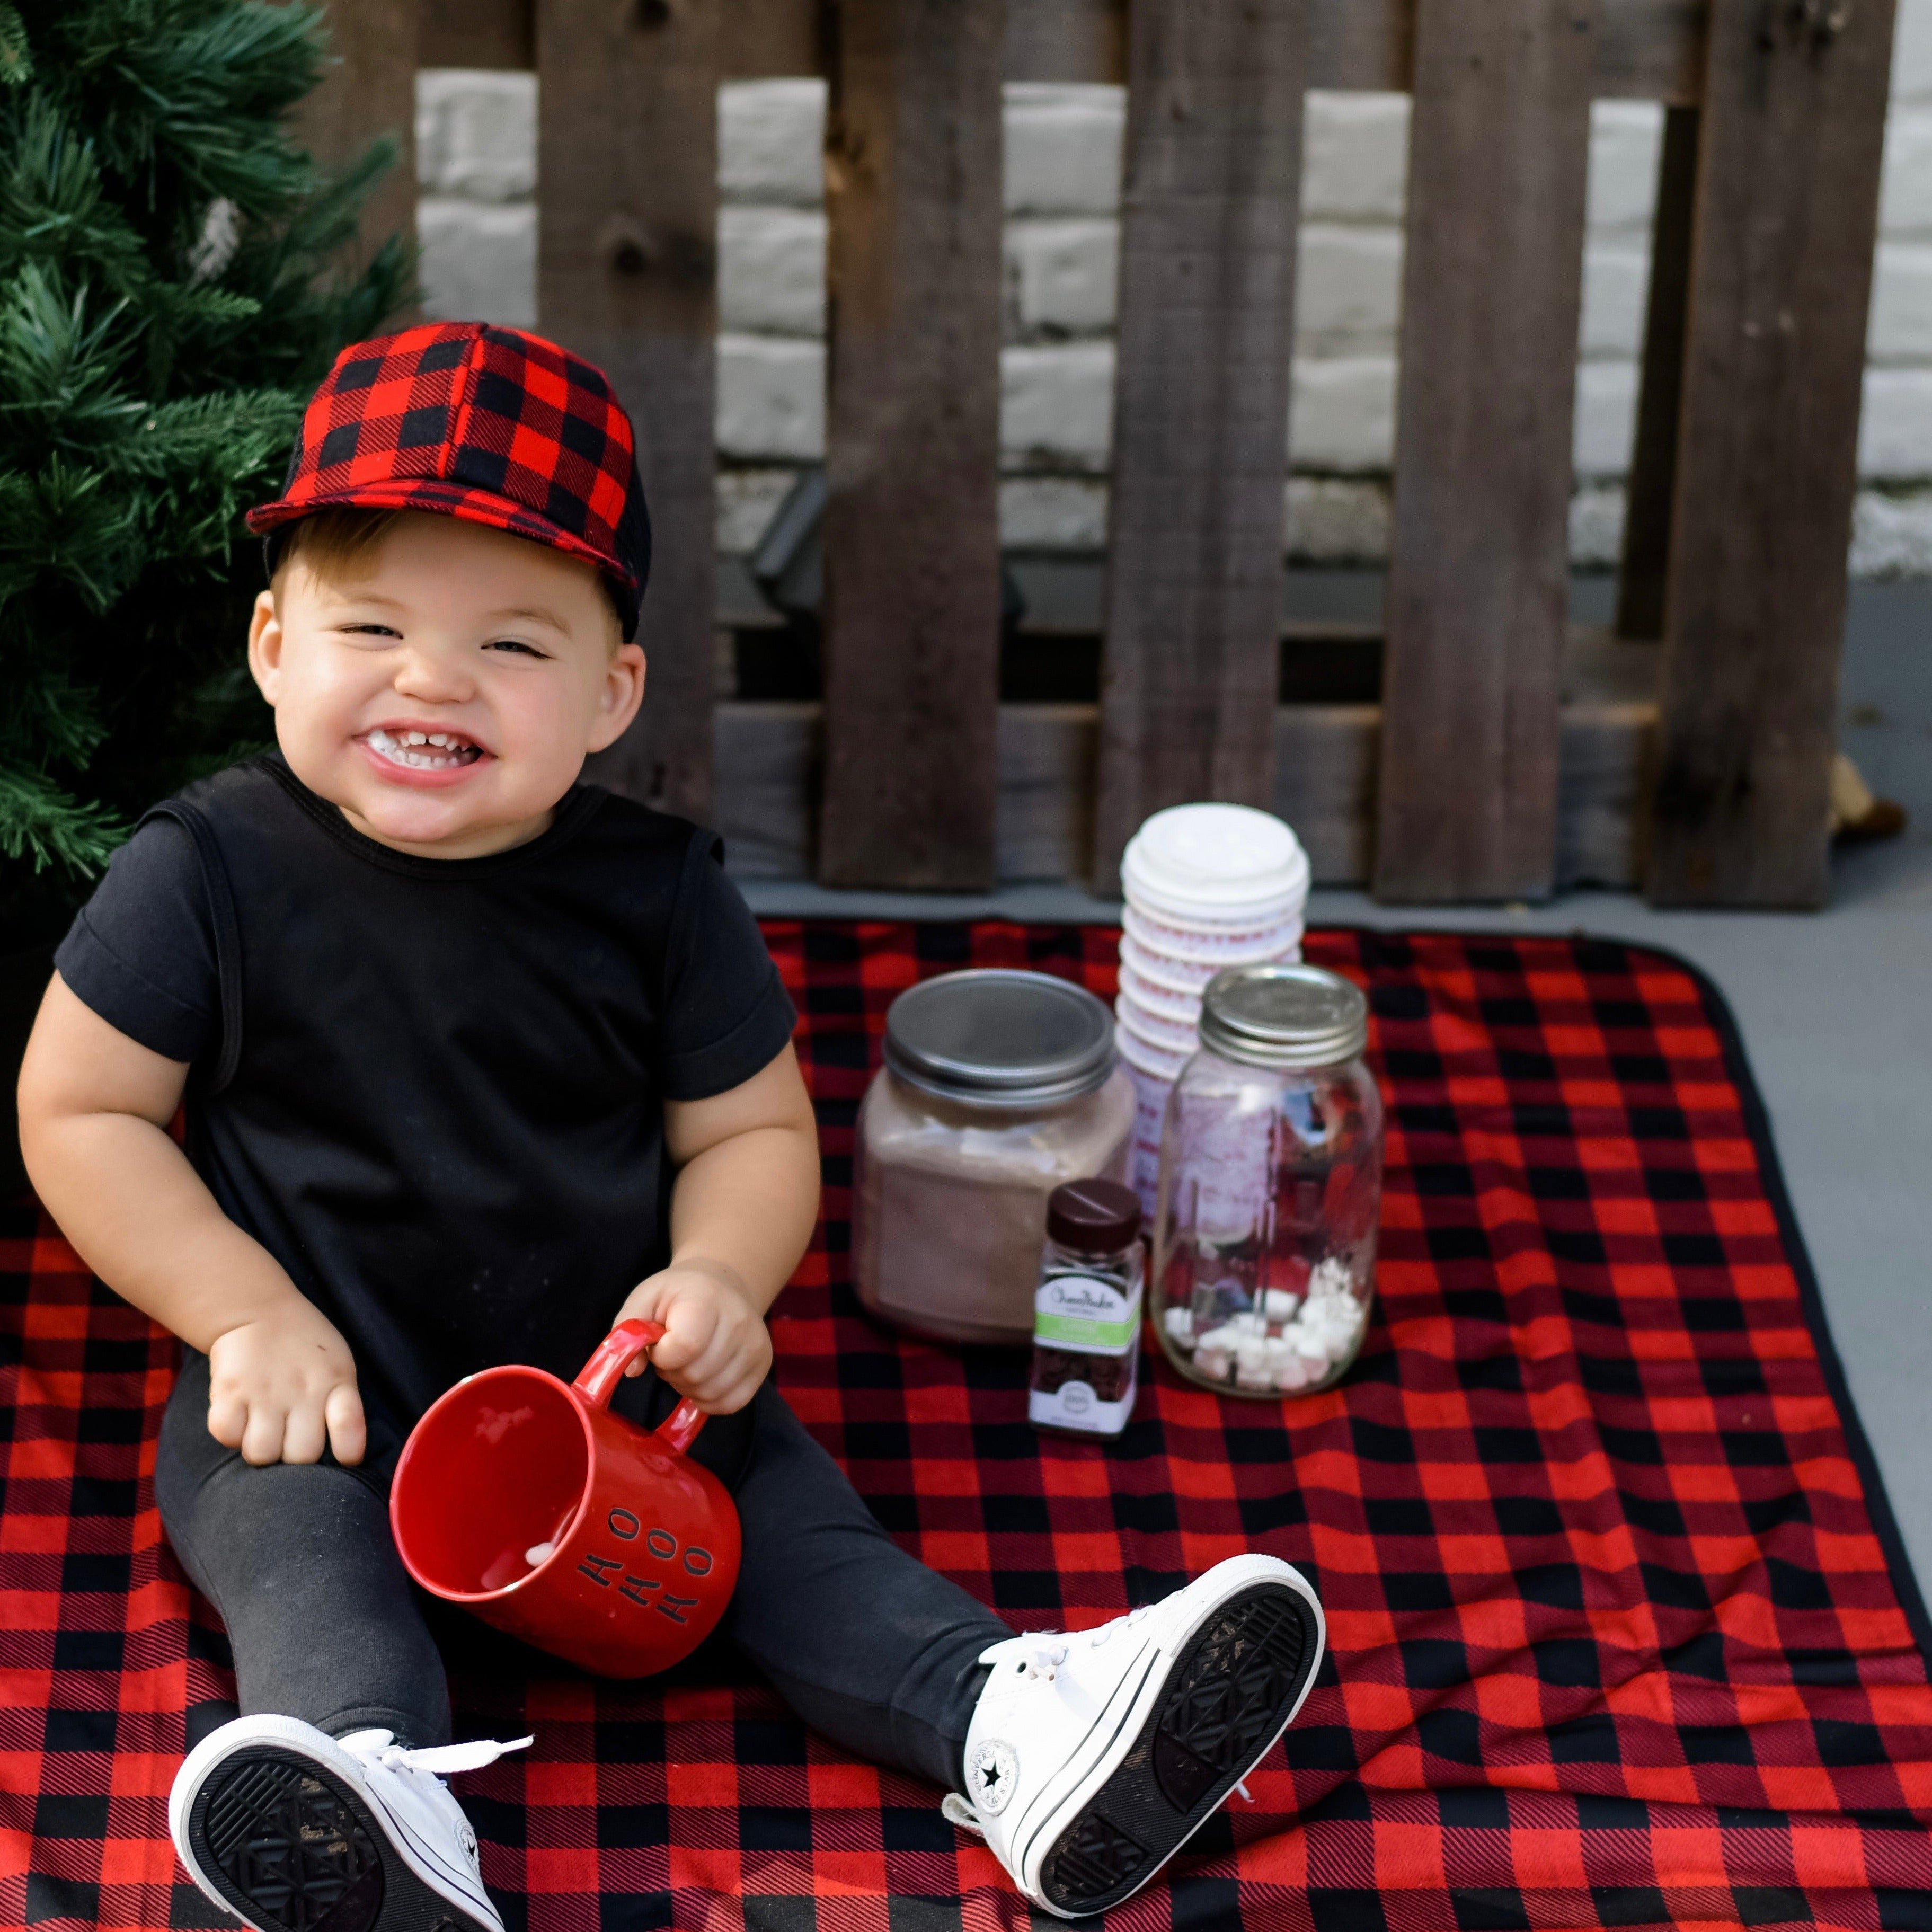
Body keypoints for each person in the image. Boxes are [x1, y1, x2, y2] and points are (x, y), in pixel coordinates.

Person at [15, 323, 1326, 1928]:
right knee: (299, 1560)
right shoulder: (203, 872)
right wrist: (242, 1314)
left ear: (612, 690)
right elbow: (80, 1109)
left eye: (512, 645)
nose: (433, 678)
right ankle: (378, 1813)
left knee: (794, 1540)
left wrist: (715, 1282)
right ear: (275, 645)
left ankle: (1017, 1726)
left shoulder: (656, 895)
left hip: (616, 1406)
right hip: (320, 1384)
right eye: (373, 624)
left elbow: (755, 1137)